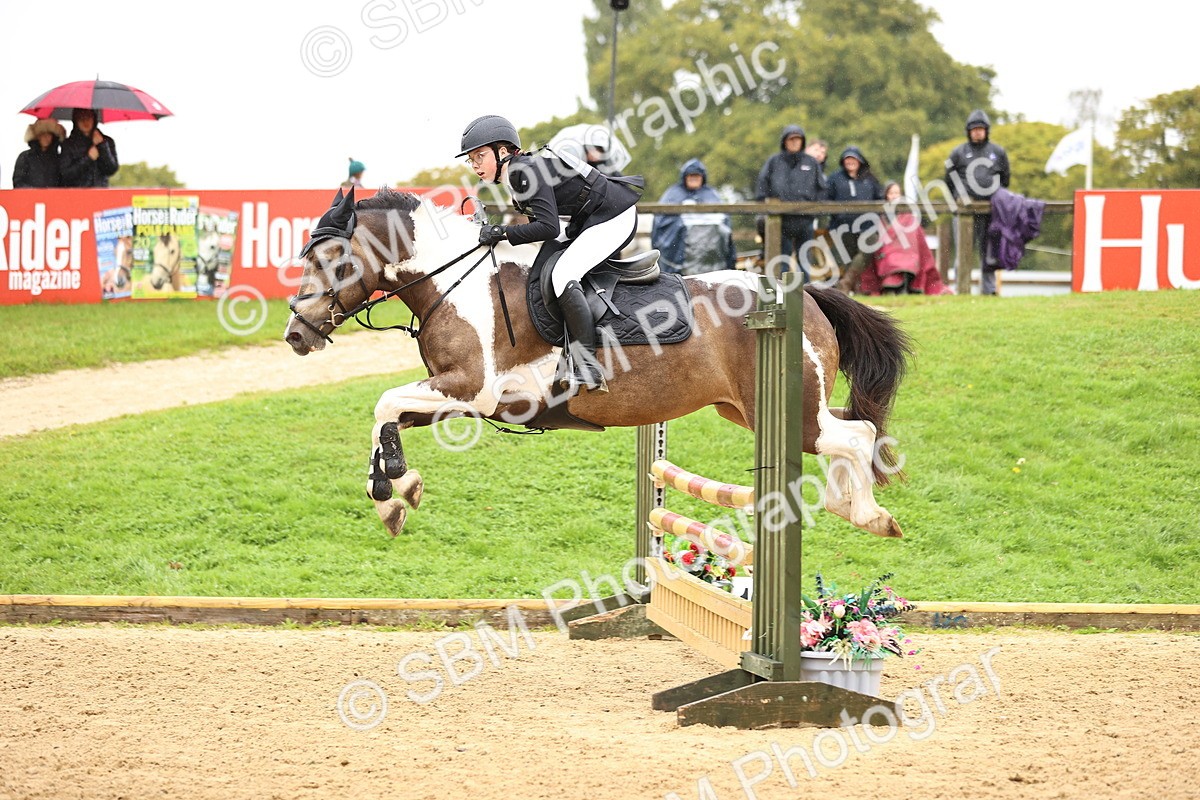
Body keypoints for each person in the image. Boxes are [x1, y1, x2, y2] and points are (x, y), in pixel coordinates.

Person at [459, 114, 643, 393]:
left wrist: (501, 233)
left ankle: (587, 365)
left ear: (503, 151)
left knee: (563, 275)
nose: (475, 165)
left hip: (613, 216)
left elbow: (546, 227)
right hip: (589, 219)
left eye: (479, 156)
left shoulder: (524, 171)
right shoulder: (517, 173)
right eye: (470, 159)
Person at [944, 109, 1011, 295]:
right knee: (963, 250)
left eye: (981, 129)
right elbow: (948, 180)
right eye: (974, 129)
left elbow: (1005, 178)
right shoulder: (958, 152)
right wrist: (958, 200)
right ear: (969, 131)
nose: (977, 132)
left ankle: (988, 290)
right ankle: (961, 288)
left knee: (989, 250)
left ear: (986, 130)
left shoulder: (997, 152)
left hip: (990, 210)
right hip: (965, 210)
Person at [754, 124, 826, 278]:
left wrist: (816, 209)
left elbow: (821, 188)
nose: (794, 142)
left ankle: (806, 295)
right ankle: (781, 294)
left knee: (805, 260)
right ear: (784, 141)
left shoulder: (811, 163)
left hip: (805, 220)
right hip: (780, 220)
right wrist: (763, 205)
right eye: (791, 139)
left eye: (797, 139)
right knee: (782, 260)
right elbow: (762, 184)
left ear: (802, 142)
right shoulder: (774, 161)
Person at [861, 182, 953, 296]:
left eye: (897, 193)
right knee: (891, 259)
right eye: (891, 193)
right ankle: (892, 287)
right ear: (886, 196)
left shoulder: (909, 217)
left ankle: (904, 286)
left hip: (908, 252)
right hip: (886, 252)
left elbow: (917, 239)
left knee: (907, 259)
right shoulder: (880, 217)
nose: (894, 196)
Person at [650, 159, 735, 275]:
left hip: (711, 257)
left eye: (697, 176)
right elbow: (661, 222)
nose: (694, 179)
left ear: (702, 177)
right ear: (685, 177)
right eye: (691, 176)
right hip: (681, 258)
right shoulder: (673, 194)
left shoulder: (712, 194)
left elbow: (724, 223)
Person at [825, 145, 884, 293]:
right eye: (847, 159)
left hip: (867, 226)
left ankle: (846, 283)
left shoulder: (870, 179)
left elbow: (880, 199)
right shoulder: (834, 179)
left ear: (860, 161)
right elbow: (826, 200)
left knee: (868, 248)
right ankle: (853, 289)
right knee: (847, 258)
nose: (850, 162)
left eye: (853, 159)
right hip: (842, 226)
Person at [59, 109, 118, 188]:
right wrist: (88, 158)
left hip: (100, 193)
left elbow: (111, 169)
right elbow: (66, 174)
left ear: (94, 119)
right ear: (75, 120)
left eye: (89, 117)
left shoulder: (106, 141)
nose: (85, 121)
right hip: (77, 194)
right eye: (81, 118)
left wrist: (102, 146)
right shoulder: (68, 144)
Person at [12, 119, 66, 189]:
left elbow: (63, 182)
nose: (46, 137)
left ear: (53, 137)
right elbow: (18, 182)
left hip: (53, 198)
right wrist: (33, 192)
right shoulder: (25, 157)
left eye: (49, 134)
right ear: (37, 136)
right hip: (30, 198)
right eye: (42, 134)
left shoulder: (57, 159)